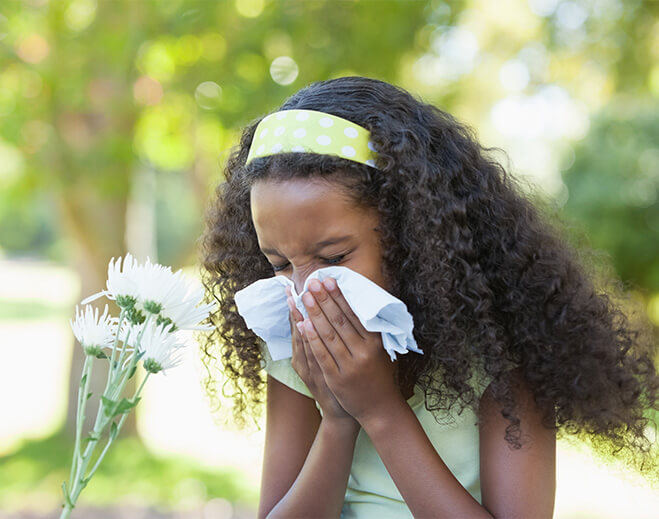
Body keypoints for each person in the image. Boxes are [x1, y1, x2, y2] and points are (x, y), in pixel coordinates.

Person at [199, 76, 658, 518]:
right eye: (280, 264)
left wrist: (379, 410)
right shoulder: (295, 340)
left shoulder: (500, 349)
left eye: (334, 256)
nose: (305, 290)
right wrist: (337, 421)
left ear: (413, 235)